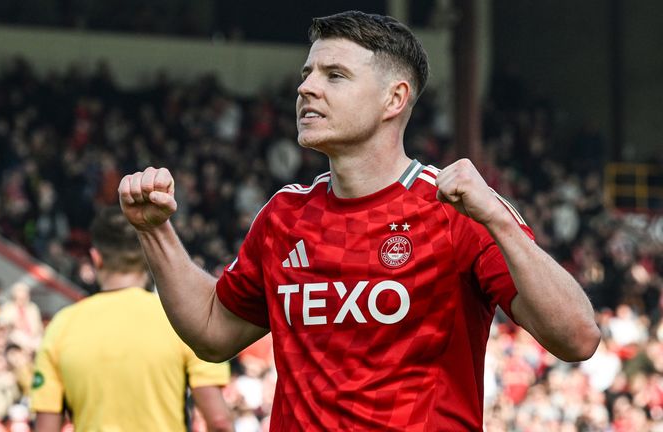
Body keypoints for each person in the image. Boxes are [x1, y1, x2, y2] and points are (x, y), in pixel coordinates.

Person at [118, 10, 600, 431]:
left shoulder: (458, 210)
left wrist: (497, 216)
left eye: (335, 75)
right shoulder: (284, 215)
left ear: (394, 99)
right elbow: (210, 333)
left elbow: (577, 338)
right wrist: (154, 230)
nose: (306, 87)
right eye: (307, 74)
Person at [31, 206, 233, 431]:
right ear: (147, 257)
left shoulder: (61, 327)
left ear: (96, 258)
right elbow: (219, 422)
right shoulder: (181, 321)